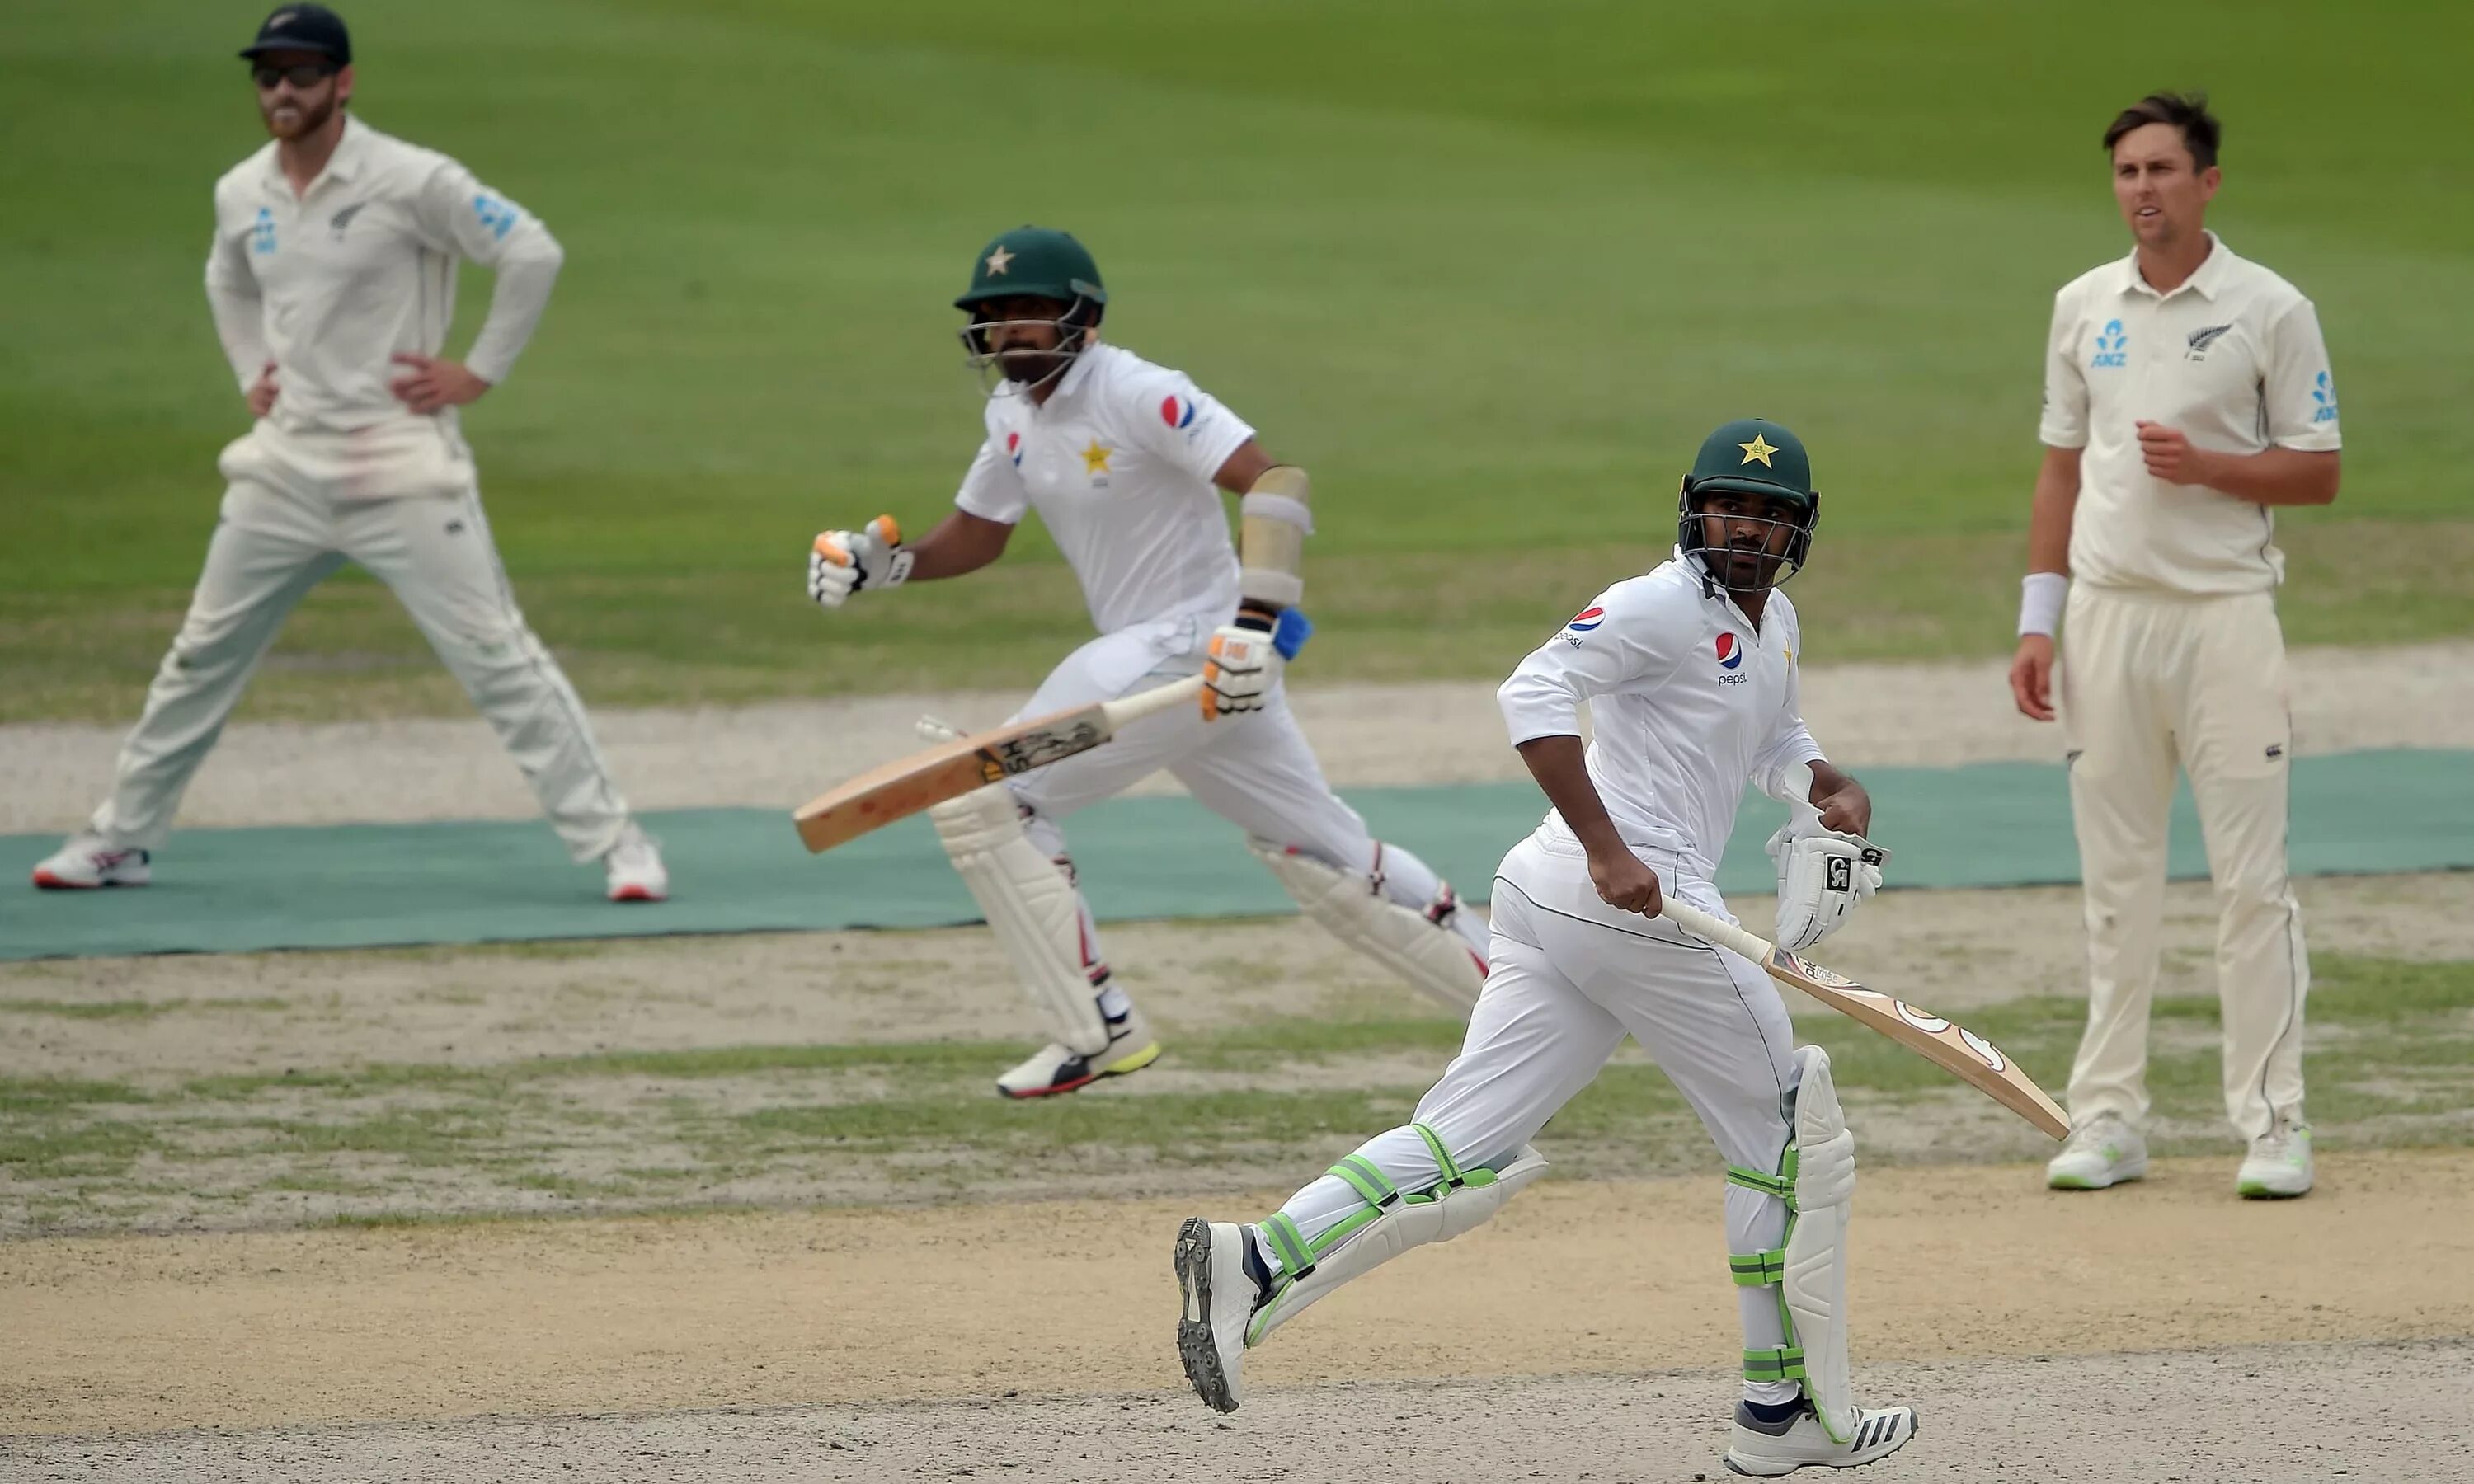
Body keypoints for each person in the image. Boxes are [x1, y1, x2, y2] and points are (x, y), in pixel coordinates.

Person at [1170, 420, 1918, 1477]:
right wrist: (1609, 849)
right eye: (1730, 506)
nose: (1746, 528)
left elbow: (1773, 738)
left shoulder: (1776, 622)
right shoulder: (1657, 603)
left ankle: (1258, 1255)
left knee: (1461, 1139)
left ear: (1799, 531)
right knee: (1790, 1133)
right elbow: (1529, 693)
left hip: (1559, 903)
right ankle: (1782, 1409)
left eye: (1770, 514)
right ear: (1692, 508)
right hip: (1625, 900)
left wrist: (1826, 782)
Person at [806, 225, 1491, 1099]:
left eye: (1029, 313)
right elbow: (979, 532)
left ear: (1081, 319)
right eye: (994, 316)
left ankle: (1097, 1028)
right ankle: (1523, 1005)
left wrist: (1254, 619)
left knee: (993, 795)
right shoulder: (1012, 413)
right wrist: (888, 564)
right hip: (1189, 672)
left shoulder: (1138, 391)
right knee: (1325, 850)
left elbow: (1276, 483)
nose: (1009, 331)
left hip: (1197, 645)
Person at [31, 4, 666, 903]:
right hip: (283, 469)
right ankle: (120, 839)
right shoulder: (240, 189)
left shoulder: (411, 179)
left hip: (400, 465)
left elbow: (531, 250)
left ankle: (620, 847)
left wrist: (478, 372)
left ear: (344, 82)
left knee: (496, 657)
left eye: (301, 73)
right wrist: (253, 365)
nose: (282, 90)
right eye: (268, 75)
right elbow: (226, 276)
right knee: (200, 656)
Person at [2011, 92, 2340, 1199]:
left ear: (2207, 182)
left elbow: (2319, 469)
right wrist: (2036, 620)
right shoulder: (2080, 307)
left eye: (2161, 170)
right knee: (2117, 884)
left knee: (2252, 882)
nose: (2141, 190)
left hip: (2225, 619)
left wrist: (2212, 467)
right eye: (2126, 173)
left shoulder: (2270, 309)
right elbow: (2062, 468)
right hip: (2107, 620)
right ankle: (2108, 1118)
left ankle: (2275, 1123)